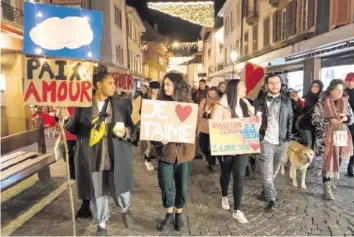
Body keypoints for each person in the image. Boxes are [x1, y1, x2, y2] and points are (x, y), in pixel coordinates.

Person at [56, 70, 135, 236]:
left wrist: (126, 131)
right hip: (92, 155)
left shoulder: (120, 103)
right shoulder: (83, 104)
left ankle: (125, 209)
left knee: (120, 189)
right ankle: (102, 225)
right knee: (97, 191)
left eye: (114, 83)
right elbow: (74, 128)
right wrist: (66, 118)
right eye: (110, 83)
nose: (114, 86)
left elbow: (131, 127)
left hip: (115, 153)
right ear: (98, 85)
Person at [212, 79, 260, 223]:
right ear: (234, 88)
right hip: (227, 147)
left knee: (239, 175)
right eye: (242, 86)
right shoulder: (221, 105)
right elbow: (215, 126)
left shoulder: (246, 104)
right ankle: (225, 195)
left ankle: (237, 210)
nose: (245, 88)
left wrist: (257, 121)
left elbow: (252, 126)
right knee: (226, 174)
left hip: (242, 146)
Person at [152, 72, 195, 232]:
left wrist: (185, 130)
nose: (165, 87)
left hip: (184, 154)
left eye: (168, 84)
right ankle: (169, 213)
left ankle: (179, 214)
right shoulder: (159, 105)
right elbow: (152, 129)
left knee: (182, 186)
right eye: (164, 84)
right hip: (165, 153)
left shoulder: (189, 104)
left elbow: (195, 129)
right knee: (165, 185)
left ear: (177, 85)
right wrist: (158, 141)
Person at [254, 73, 293, 211]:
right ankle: (271, 198)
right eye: (271, 83)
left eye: (277, 82)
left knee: (274, 170)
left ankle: (265, 191)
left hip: (281, 142)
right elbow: (253, 120)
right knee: (267, 172)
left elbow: (290, 119)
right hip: (265, 141)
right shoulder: (259, 101)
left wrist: (288, 137)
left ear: (281, 84)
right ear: (266, 85)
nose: (275, 85)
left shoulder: (287, 101)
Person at [312, 79, 353, 200]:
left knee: (338, 159)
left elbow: (352, 118)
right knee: (327, 161)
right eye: (337, 90)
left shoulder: (346, 102)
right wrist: (328, 121)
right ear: (331, 91)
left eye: (341, 90)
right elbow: (314, 120)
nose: (340, 92)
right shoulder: (322, 103)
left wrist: (346, 118)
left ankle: (331, 180)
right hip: (326, 137)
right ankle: (326, 186)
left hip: (341, 136)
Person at [298, 80, 324, 169]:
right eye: (313, 86)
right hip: (305, 124)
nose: (315, 88)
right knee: (308, 142)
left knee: (313, 143)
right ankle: (303, 161)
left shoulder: (322, 99)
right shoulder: (305, 97)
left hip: (315, 125)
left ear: (320, 88)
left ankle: (309, 161)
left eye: (317, 86)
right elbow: (300, 110)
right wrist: (299, 104)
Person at [197, 87, 220, 172]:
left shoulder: (219, 102)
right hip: (204, 128)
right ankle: (209, 159)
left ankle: (211, 164)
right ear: (208, 93)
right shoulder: (204, 101)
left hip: (214, 128)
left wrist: (209, 113)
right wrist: (204, 113)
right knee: (203, 146)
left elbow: (218, 114)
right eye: (210, 94)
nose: (212, 96)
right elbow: (199, 112)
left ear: (216, 94)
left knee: (214, 147)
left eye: (213, 94)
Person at [144, 81, 161, 171]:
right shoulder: (146, 97)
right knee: (150, 145)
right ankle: (147, 159)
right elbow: (140, 111)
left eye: (156, 89)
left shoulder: (162, 97)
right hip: (149, 123)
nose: (154, 91)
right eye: (153, 89)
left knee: (159, 144)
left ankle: (160, 162)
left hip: (159, 124)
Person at [345, 73, 354, 177]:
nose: (350, 82)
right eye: (348, 80)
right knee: (341, 144)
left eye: (352, 80)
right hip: (346, 122)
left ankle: (350, 165)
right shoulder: (343, 92)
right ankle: (336, 165)